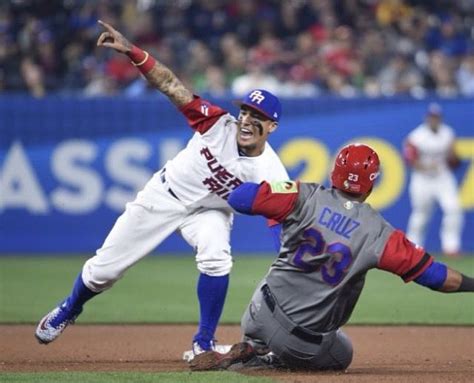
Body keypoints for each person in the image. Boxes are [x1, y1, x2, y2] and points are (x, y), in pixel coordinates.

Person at [34, 20, 289, 359]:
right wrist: (134, 53)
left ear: (271, 127)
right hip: (164, 196)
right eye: (244, 110)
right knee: (104, 271)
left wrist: (286, 261)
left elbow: (279, 219)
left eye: (256, 115)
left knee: (216, 257)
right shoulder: (217, 124)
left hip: (210, 211)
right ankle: (69, 307)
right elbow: (171, 85)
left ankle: (204, 343)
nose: (245, 119)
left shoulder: (272, 170)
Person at [189, 143, 474, 372]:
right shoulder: (379, 232)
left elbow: (240, 198)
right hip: (302, 343)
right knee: (343, 352)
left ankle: (254, 345)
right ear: (371, 185)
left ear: (334, 173)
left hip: (257, 314)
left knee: (279, 270)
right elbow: (434, 276)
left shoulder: (302, 195)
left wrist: (276, 204)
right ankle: (272, 357)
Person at [403, 103, 463, 256]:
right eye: (432, 117)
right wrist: (426, 167)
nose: (434, 120)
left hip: (443, 177)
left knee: (453, 209)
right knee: (421, 214)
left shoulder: (448, 133)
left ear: (440, 118)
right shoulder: (416, 136)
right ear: (427, 118)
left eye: (436, 117)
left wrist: (452, 157)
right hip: (423, 179)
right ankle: (413, 248)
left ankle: (451, 247)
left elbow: (454, 159)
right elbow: (409, 159)